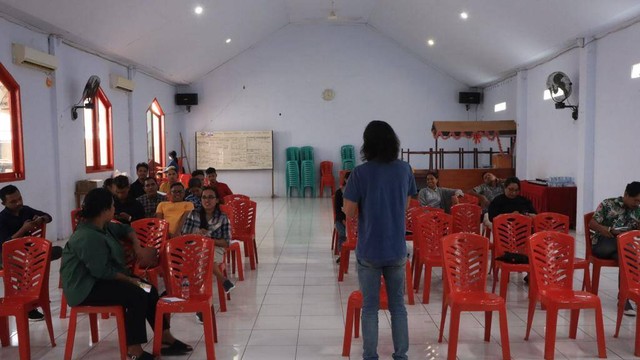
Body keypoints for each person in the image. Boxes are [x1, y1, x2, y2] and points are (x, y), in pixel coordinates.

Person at [60, 188, 192, 359]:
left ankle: (165, 336)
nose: (115, 209)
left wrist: (137, 248)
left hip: (101, 280)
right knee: (136, 294)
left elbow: (125, 229)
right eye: (113, 206)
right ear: (105, 210)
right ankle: (134, 349)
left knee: (149, 289)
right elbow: (102, 271)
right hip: (85, 287)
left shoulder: (103, 226)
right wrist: (130, 279)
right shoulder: (87, 235)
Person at [343, 120, 416, 360]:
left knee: (370, 309)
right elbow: (406, 204)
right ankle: (401, 355)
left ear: (367, 144)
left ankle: (370, 356)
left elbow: (350, 211)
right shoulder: (405, 169)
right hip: (396, 249)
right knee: (398, 308)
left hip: (370, 250)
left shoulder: (360, 173)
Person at [0, 184, 63, 321]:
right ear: (4, 203)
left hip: (28, 253)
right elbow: (5, 244)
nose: (18, 203)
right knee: (26, 265)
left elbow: (48, 216)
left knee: (58, 251)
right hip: (7, 257)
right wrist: (23, 229)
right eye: (13, 201)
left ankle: (37, 296)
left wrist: (41, 219)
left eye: (19, 199)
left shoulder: (25, 210)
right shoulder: (2, 219)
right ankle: (28, 306)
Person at [181, 186, 235, 323]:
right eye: (204, 197)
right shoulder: (193, 214)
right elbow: (184, 236)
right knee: (202, 262)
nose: (207, 200)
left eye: (211, 197)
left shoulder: (223, 217)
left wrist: (209, 240)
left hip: (215, 247)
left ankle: (201, 308)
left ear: (217, 200)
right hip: (193, 247)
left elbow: (226, 242)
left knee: (203, 263)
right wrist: (196, 235)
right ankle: (222, 280)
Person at [589, 181, 640, 316]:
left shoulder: (638, 210)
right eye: (635, 200)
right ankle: (626, 297)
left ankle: (625, 298)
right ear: (626, 194)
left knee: (625, 257)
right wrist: (605, 229)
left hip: (621, 248)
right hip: (602, 244)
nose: (637, 204)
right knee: (628, 252)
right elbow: (592, 223)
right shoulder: (608, 204)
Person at [334, 171, 350, 262]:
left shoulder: (358, 193)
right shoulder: (339, 193)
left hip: (353, 221)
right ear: (345, 180)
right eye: (349, 180)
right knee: (343, 233)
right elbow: (338, 211)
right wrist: (344, 221)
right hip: (340, 220)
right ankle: (342, 254)